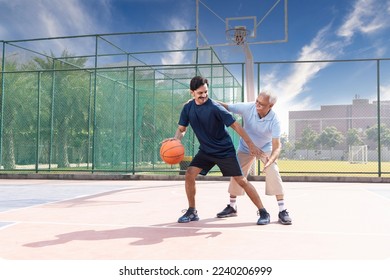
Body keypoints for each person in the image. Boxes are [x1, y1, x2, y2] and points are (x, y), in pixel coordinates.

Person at [164, 76, 270, 225]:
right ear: (192, 93)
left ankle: (263, 211)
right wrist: (176, 139)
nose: (204, 95)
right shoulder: (188, 108)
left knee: (241, 180)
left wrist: (251, 145)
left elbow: (236, 126)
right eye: (200, 93)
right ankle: (192, 211)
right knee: (189, 174)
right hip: (206, 151)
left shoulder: (215, 107)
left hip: (224, 151)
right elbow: (182, 129)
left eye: (206, 92)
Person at [215, 91, 292, 225]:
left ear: (271, 105)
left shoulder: (275, 121)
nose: (257, 105)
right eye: (257, 101)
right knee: (236, 172)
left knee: (273, 171)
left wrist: (271, 161)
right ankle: (232, 207)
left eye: (261, 104)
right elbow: (227, 106)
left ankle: (282, 210)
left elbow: (277, 146)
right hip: (245, 147)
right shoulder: (249, 107)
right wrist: (205, 99)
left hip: (265, 149)